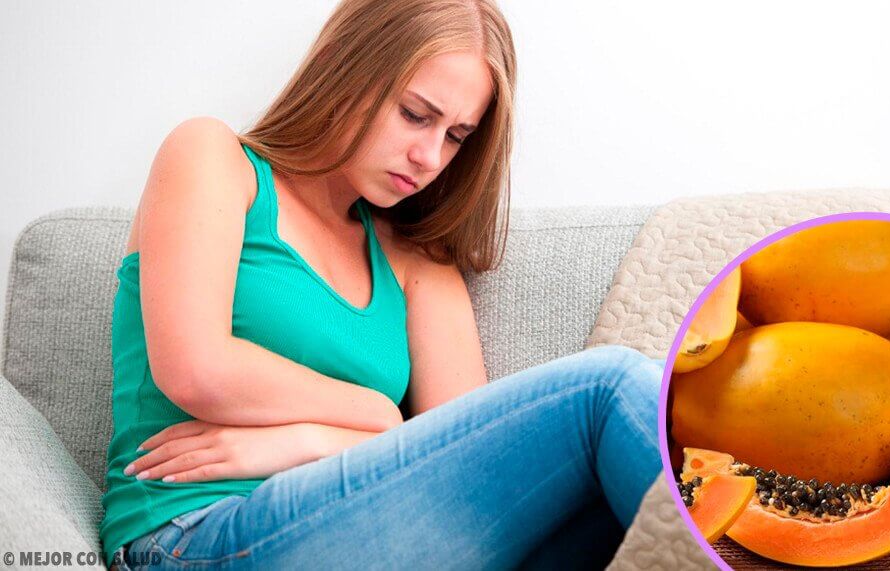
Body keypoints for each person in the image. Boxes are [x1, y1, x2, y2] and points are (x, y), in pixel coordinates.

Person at [99, 0, 667, 568]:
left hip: (366, 543)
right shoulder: (214, 157)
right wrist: (376, 413)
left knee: (601, 505)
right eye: (416, 115)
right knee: (608, 387)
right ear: (350, 71)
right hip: (190, 535)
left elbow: (460, 463)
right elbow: (196, 370)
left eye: (456, 136)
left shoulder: (416, 260)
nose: (429, 157)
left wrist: (311, 440)